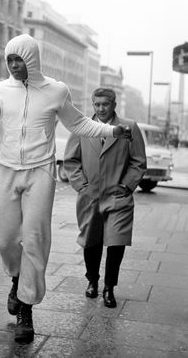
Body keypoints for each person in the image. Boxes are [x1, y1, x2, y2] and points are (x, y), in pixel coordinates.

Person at [0, 34, 132, 343]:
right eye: (9, 60)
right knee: (6, 240)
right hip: (7, 171)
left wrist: (112, 130)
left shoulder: (56, 91)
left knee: (35, 239)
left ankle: (26, 307)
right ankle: (16, 278)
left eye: (19, 59)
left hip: (40, 172)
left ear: (32, 60)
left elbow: (78, 123)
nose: (13, 65)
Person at [63, 87, 146, 308]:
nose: (101, 109)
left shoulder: (129, 127)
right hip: (90, 196)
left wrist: (127, 186)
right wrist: (82, 186)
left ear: (114, 105)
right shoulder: (81, 128)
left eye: (105, 104)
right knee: (91, 242)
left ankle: (109, 288)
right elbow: (70, 161)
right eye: (97, 104)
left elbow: (138, 161)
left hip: (117, 196)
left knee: (116, 242)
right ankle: (92, 281)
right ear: (93, 105)